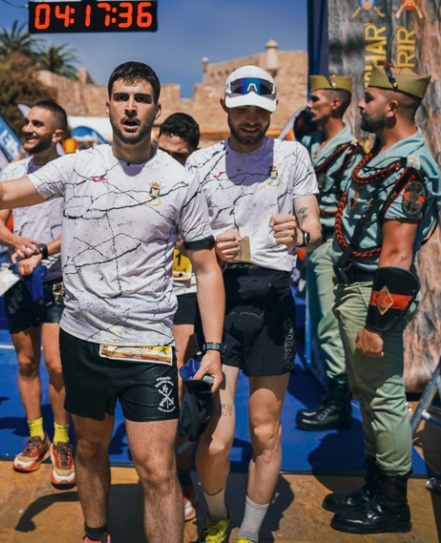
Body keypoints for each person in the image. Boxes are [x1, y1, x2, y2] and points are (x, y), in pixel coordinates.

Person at [0, 61, 225, 543]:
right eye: (122, 98)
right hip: (83, 338)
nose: (131, 108)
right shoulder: (78, 166)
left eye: (141, 99)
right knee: (90, 451)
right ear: (108, 105)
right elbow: (5, 191)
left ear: (156, 110)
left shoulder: (181, 181)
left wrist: (213, 347)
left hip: (147, 344)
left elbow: (207, 268)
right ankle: (96, 534)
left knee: (156, 468)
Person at [186, 64, 321, 543]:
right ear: (225, 105)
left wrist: (299, 234)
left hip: (272, 303)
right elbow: (177, 237)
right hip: (218, 304)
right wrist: (206, 247)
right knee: (216, 439)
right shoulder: (199, 163)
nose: (251, 118)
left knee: (265, 433)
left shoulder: (292, 154)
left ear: (272, 109)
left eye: (260, 110)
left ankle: (249, 531)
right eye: (242, 108)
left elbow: (314, 227)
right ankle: (217, 514)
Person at [323, 65, 441, 534]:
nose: (359, 103)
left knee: (385, 397)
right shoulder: (383, 153)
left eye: (368, 98)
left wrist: (376, 324)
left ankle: (393, 505)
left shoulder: (409, 165)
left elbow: (397, 252)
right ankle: (374, 487)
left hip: (374, 292)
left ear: (393, 107)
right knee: (369, 396)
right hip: (355, 284)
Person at [0, 100, 75, 487]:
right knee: (26, 362)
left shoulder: (71, 172)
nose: (27, 128)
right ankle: (37, 436)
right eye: (26, 122)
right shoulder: (12, 173)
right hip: (17, 279)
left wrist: (41, 251)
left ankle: (62, 439)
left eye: (37, 124)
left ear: (56, 134)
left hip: (58, 280)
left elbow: (76, 229)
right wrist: (15, 241)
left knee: (57, 365)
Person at [295, 75, 362, 432]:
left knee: (327, 324)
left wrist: (342, 253)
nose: (310, 104)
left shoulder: (350, 153)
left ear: (335, 104)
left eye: (316, 98)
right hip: (312, 243)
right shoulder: (314, 143)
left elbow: (352, 208)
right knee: (321, 319)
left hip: (331, 245)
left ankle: (339, 401)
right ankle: (335, 394)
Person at [155, 111, 202, 521]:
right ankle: (156, 468)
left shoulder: (200, 187)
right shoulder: (136, 177)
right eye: (164, 152)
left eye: (180, 155)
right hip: (141, 296)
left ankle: (180, 473)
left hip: (186, 293)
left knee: (181, 383)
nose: (170, 161)